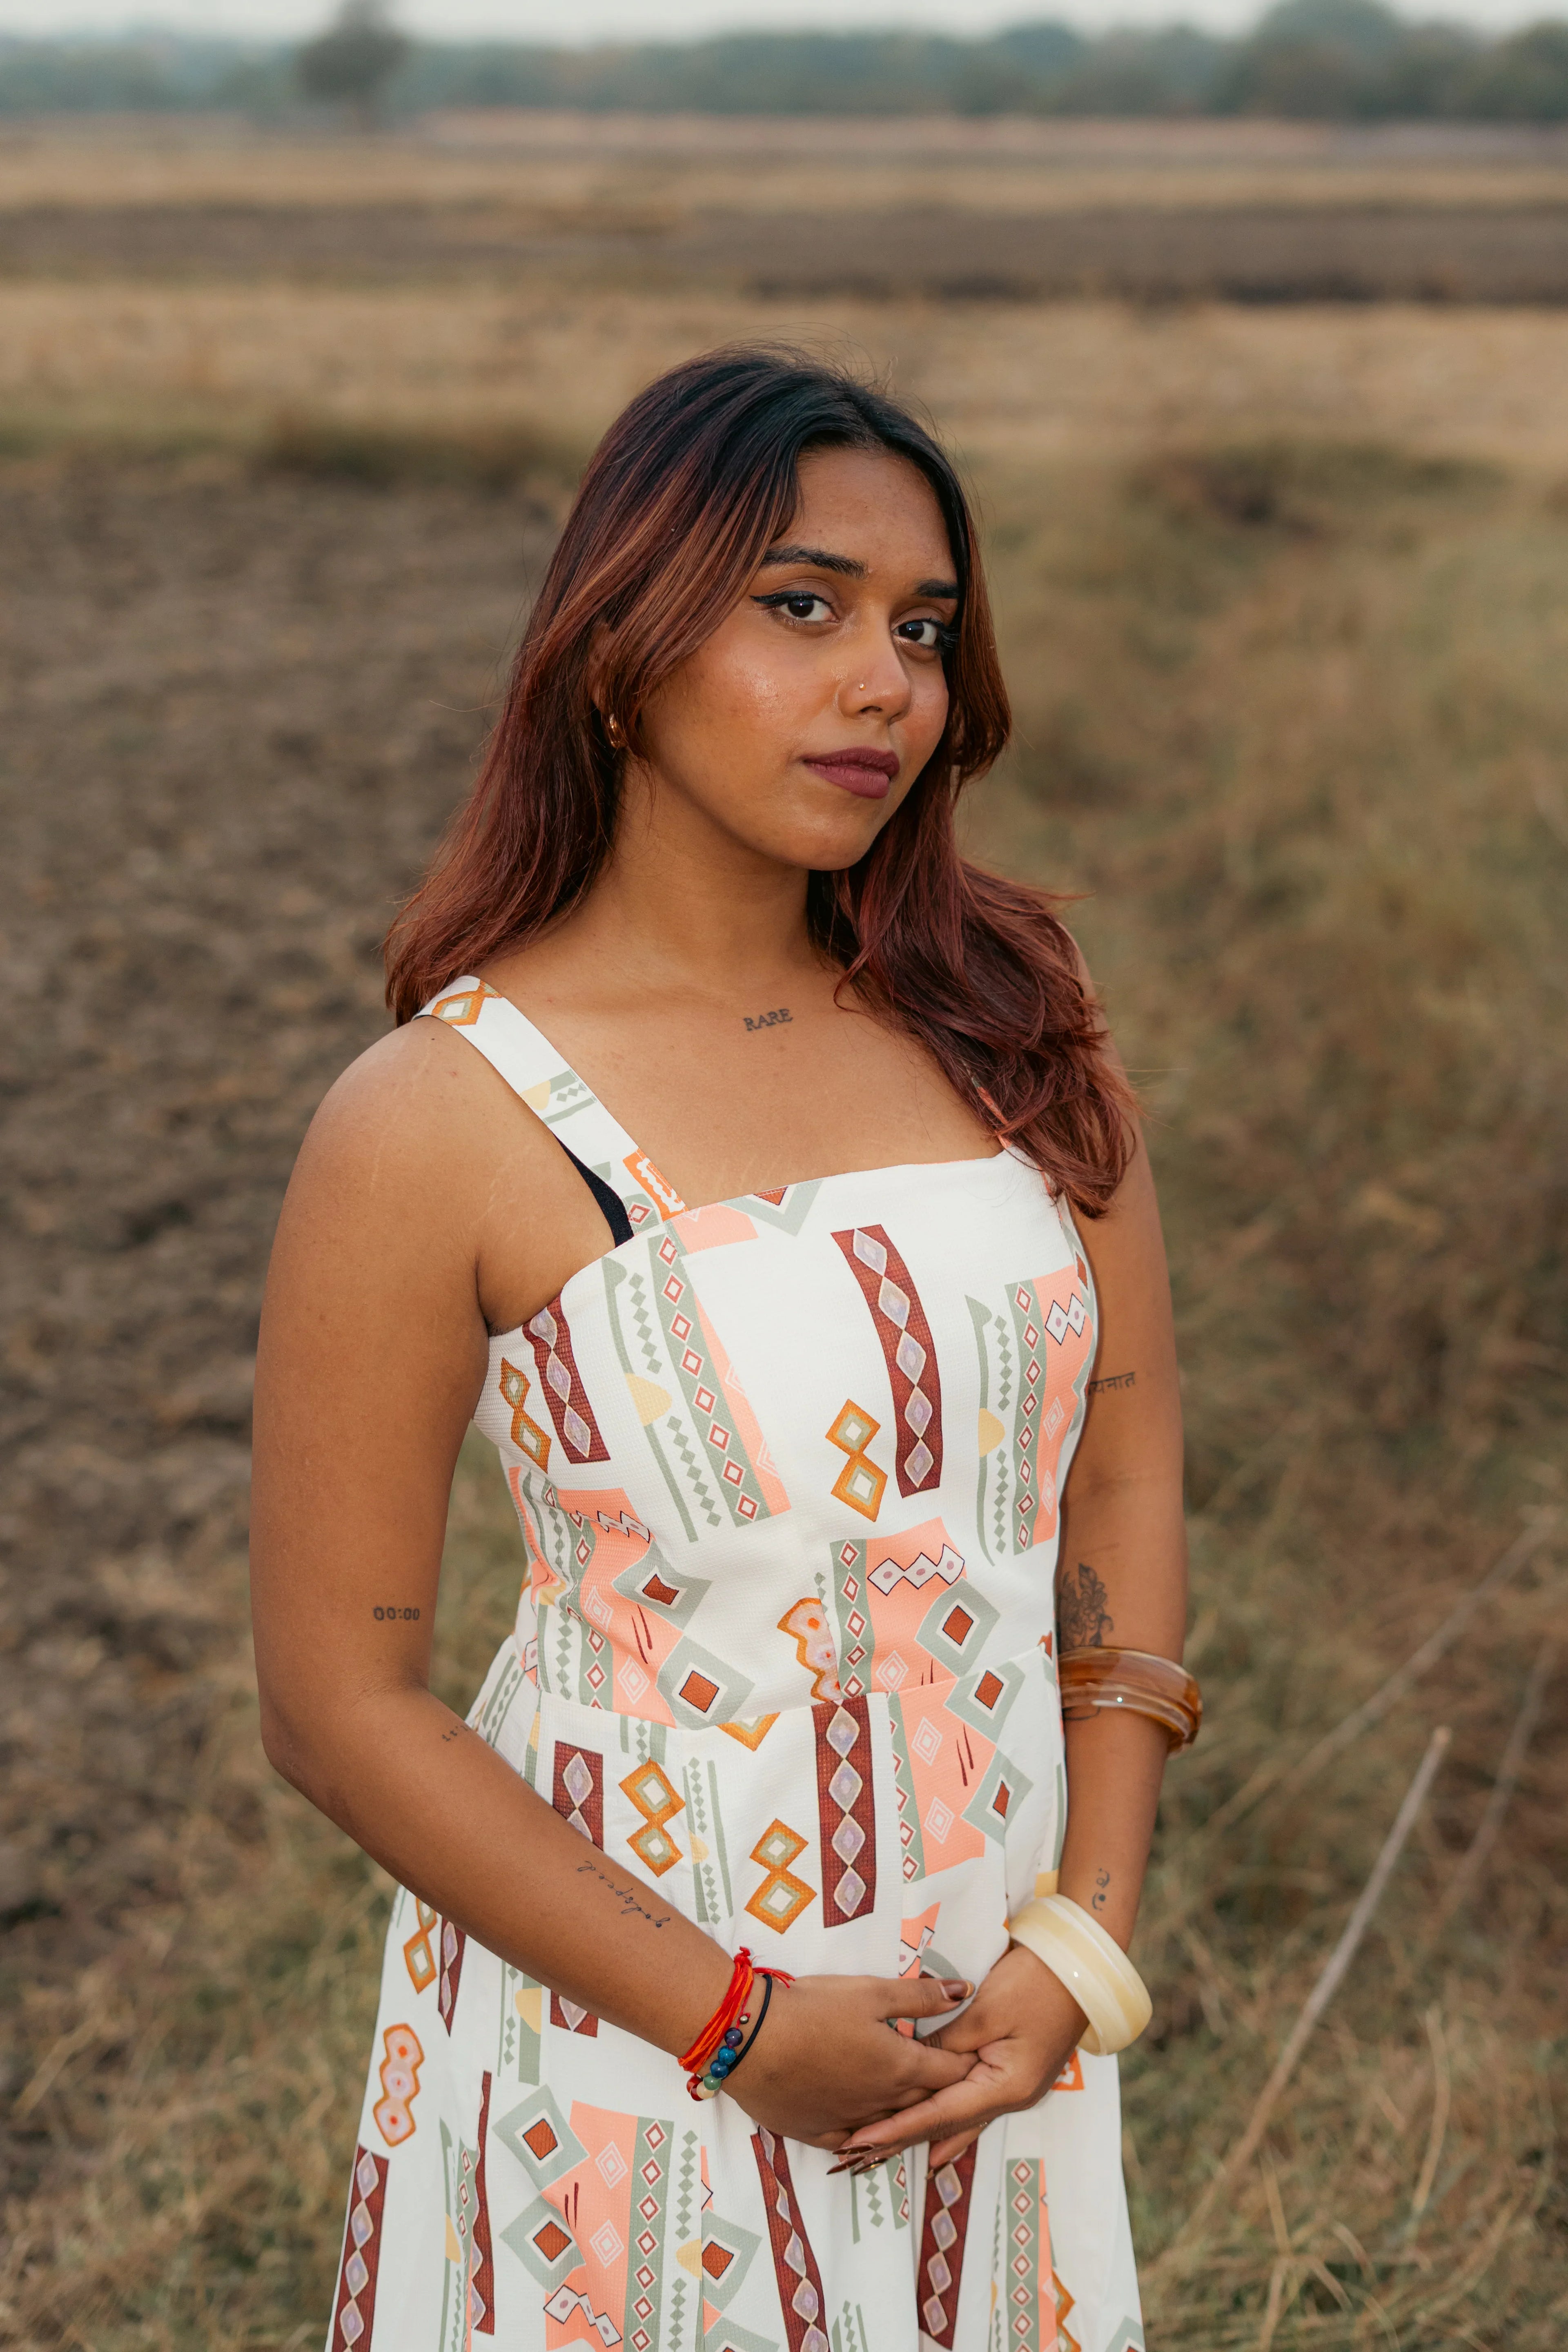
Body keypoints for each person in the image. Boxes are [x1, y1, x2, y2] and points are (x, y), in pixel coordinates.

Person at [251, 345, 1193, 2352]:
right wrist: (736, 2024)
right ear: (619, 646)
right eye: (803, 607)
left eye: (923, 629)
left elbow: (1122, 1460)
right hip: (630, 2055)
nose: (887, 684)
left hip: (991, 2015)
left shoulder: (1013, 1018)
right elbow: (337, 1703)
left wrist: (1085, 1940)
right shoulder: (445, 1118)